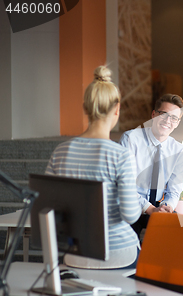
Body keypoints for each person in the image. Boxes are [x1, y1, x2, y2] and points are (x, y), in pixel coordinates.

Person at [45, 66, 141, 269]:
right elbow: (130, 215)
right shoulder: (120, 155)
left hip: (75, 255)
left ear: (85, 108)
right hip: (119, 254)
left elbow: (48, 208)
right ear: (117, 109)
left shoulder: (60, 152)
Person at [120, 93, 183, 238]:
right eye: (163, 114)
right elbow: (125, 185)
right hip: (131, 206)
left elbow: (174, 191)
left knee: (177, 238)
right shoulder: (131, 139)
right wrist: (149, 209)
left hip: (158, 209)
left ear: (177, 123)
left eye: (174, 118)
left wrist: (167, 207)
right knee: (130, 249)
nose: (167, 120)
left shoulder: (179, 150)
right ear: (153, 114)